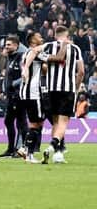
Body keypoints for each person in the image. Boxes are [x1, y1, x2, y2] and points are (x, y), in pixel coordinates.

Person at [19, 32, 66, 163]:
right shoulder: (35, 52)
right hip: (33, 93)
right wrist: (64, 46)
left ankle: (26, 150)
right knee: (36, 124)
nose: (42, 38)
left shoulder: (26, 53)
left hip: (25, 93)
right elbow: (58, 58)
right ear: (33, 40)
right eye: (39, 36)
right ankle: (28, 153)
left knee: (36, 123)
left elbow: (44, 68)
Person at [41, 26, 84, 164]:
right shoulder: (75, 49)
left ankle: (58, 154)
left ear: (55, 35)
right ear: (67, 35)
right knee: (63, 121)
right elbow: (81, 71)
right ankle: (54, 147)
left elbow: (44, 67)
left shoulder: (47, 47)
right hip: (68, 89)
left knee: (55, 122)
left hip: (51, 89)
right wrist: (76, 88)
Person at [0, 35, 28, 158]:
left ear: (16, 45)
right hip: (10, 96)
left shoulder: (21, 57)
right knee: (9, 121)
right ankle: (11, 149)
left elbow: (26, 75)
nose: (6, 46)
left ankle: (21, 149)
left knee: (21, 122)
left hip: (18, 95)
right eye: (6, 44)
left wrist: (13, 85)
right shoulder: (10, 58)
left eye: (9, 44)